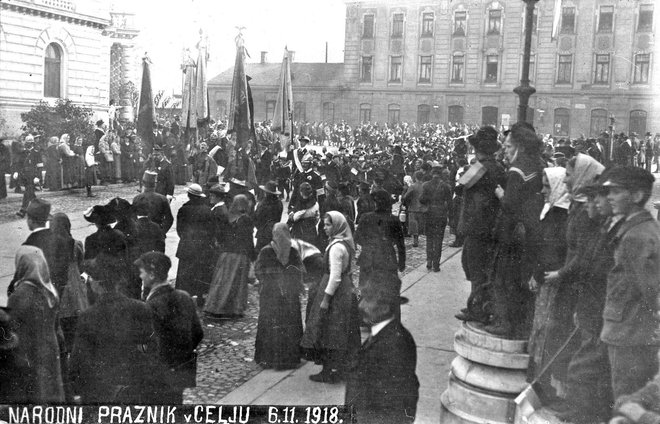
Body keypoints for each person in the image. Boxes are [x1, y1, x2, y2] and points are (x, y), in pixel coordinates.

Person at [537, 153, 604, 396]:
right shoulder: (578, 203)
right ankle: (561, 391)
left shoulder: (588, 211)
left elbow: (583, 252)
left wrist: (561, 273)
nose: (565, 180)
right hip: (571, 281)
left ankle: (567, 395)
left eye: (569, 174)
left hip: (577, 285)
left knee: (567, 336)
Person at [600, 167, 660, 400]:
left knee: (627, 398)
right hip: (635, 329)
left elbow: (650, 289)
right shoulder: (643, 228)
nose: (610, 197)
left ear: (636, 197)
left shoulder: (635, 235)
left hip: (629, 330)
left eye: (616, 192)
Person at [69, 253, 161, 404]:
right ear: (119, 282)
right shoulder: (140, 308)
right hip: (134, 389)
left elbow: (79, 359)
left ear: (96, 284)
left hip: (99, 392)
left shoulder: (88, 316)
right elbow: (152, 350)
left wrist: (76, 389)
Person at [485, 124, 544, 339]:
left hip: (512, 230)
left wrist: (499, 191)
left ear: (518, 146)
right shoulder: (537, 164)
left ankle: (503, 322)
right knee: (519, 277)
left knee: (502, 276)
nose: (505, 149)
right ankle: (519, 322)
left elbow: (509, 203)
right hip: (530, 228)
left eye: (509, 145)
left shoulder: (516, 170)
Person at [345, 278, 419, 424]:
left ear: (385, 308)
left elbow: (397, 399)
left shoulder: (396, 342)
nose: (361, 306)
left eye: (368, 301)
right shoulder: (381, 333)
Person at [526, 167, 570, 400]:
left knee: (546, 329)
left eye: (547, 186)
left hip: (553, 281)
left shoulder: (561, 215)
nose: (543, 191)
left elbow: (551, 250)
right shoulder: (552, 210)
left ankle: (543, 382)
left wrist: (538, 273)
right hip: (545, 278)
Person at [135, 252, 203, 404]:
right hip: (180, 372)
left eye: (142, 272)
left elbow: (146, 344)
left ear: (152, 275)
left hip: (157, 376)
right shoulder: (184, 297)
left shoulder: (150, 306)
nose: (140, 276)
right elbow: (198, 333)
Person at [301, 211, 361, 383]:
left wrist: (326, 299)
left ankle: (328, 371)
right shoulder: (344, 243)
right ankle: (340, 368)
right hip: (344, 289)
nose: (325, 228)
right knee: (341, 331)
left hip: (335, 292)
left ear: (336, 226)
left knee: (329, 330)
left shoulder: (336, 247)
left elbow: (335, 276)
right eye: (324, 224)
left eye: (328, 225)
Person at [455, 128, 506, 323]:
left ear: (478, 148)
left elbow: (459, 187)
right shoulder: (498, 167)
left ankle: (477, 308)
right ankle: (480, 304)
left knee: (474, 266)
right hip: (489, 224)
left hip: (476, 225)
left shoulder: (479, 167)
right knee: (481, 267)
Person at [8, 245, 65, 403]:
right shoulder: (50, 291)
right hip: (50, 349)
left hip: (29, 353)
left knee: (34, 395)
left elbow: (12, 329)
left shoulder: (19, 295)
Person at [254, 223, 305, 370]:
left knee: (270, 324)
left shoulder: (266, 251)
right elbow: (299, 272)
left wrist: (268, 281)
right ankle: (290, 358)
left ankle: (268, 358)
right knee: (289, 325)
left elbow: (258, 271)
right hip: (289, 295)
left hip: (270, 295)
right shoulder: (293, 250)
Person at [204, 194, 255, 318]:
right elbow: (248, 240)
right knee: (236, 284)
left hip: (225, 254)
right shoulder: (245, 219)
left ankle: (214, 307)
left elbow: (220, 235)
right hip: (239, 255)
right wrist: (252, 256)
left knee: (222, 281)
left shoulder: (228, 217)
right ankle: (232, 309)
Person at [354, 189, 405, 289]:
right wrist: (401, 263)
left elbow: (357, 237)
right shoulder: (394, 219)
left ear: (375, 203)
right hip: (387, 258)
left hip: (368, 258)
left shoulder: (365, 217)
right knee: (387, 291)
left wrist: (368, 245)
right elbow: (400, 244)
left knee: (367, 293)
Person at [175, 184, 214, 301]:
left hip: (187, 245)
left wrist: (185, 238)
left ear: (189, 195)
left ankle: (184, 297)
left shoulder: (183, 209)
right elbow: (212, 229)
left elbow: (179, 229)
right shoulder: (207, 210)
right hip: (202, 245)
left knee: (185, 272)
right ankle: (200, 296)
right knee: (200, 270)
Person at [419, 166, 452, 272]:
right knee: (438, 240)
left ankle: (429, 261)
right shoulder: (446, 186)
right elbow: (450, 203)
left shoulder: (426, 185)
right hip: (441, 214)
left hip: (429, 214)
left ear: (432, 174)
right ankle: (436, 264)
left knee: (429, 239)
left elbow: (422, 199)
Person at [14, 135, 43, 217]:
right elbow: (19, 164)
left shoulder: (36, 153)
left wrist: (38, 177)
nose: (28, 144)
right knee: (31, 194)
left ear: (33, 143)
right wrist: (16, 172)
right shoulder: (23, 153)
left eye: (30, 143)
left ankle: (23, 210)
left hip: (33, 176)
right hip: (24, 176)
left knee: (28, 192)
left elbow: (40, 166)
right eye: (27, 143)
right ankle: (41, 209)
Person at [254, 181, 284, 252]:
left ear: (266, 192)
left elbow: (256, 219)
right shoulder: (279, 203)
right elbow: (279, 218)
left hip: (263, 233)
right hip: (274, 231)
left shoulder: (262, 204)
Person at [402, 171, 427, 247]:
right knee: (420, 224)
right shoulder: (425, 186)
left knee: (414, 225)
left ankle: (415, 241)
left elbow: (406, 196)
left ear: (415, 177)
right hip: (422, 208)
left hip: (413, 208)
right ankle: (418, 238)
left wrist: (406, 202)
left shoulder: (412, 186)